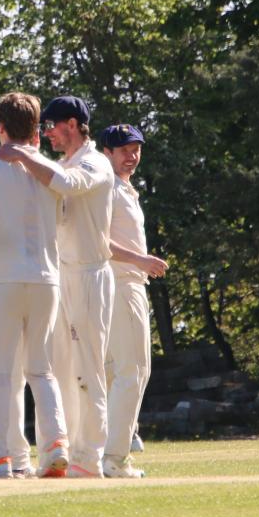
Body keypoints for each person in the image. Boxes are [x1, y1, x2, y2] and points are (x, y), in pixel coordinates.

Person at [0, 95, 115, 478]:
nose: (46, 134)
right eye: (42, 127)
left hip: (92, 274)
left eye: (52, 126)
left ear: (74, 124)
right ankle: (60, 455)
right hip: (60, 276)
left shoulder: (95, 162)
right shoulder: (61, 162)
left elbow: (67, 184)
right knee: (59, 369)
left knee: (89, 369)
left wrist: (20, 155)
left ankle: (90, 458)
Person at [0, 92, 70, 480]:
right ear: (37, 130)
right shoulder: (48, 168)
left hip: (3, 279)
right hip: (45, 278)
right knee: (41, 370)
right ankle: (56, 444)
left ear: (1, 128)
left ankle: (0, 458)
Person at [100, 123, 169, 478]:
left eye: (136, 149)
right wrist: (141, 260)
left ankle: (109, 452)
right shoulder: (106, 188)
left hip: (127, 283)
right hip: (120, 283)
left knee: (119, 372)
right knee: (134, 370)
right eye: (124, 150)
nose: (132, 156)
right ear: (106, 152)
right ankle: (115, 458)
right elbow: (96, 241)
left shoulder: (125, 189)